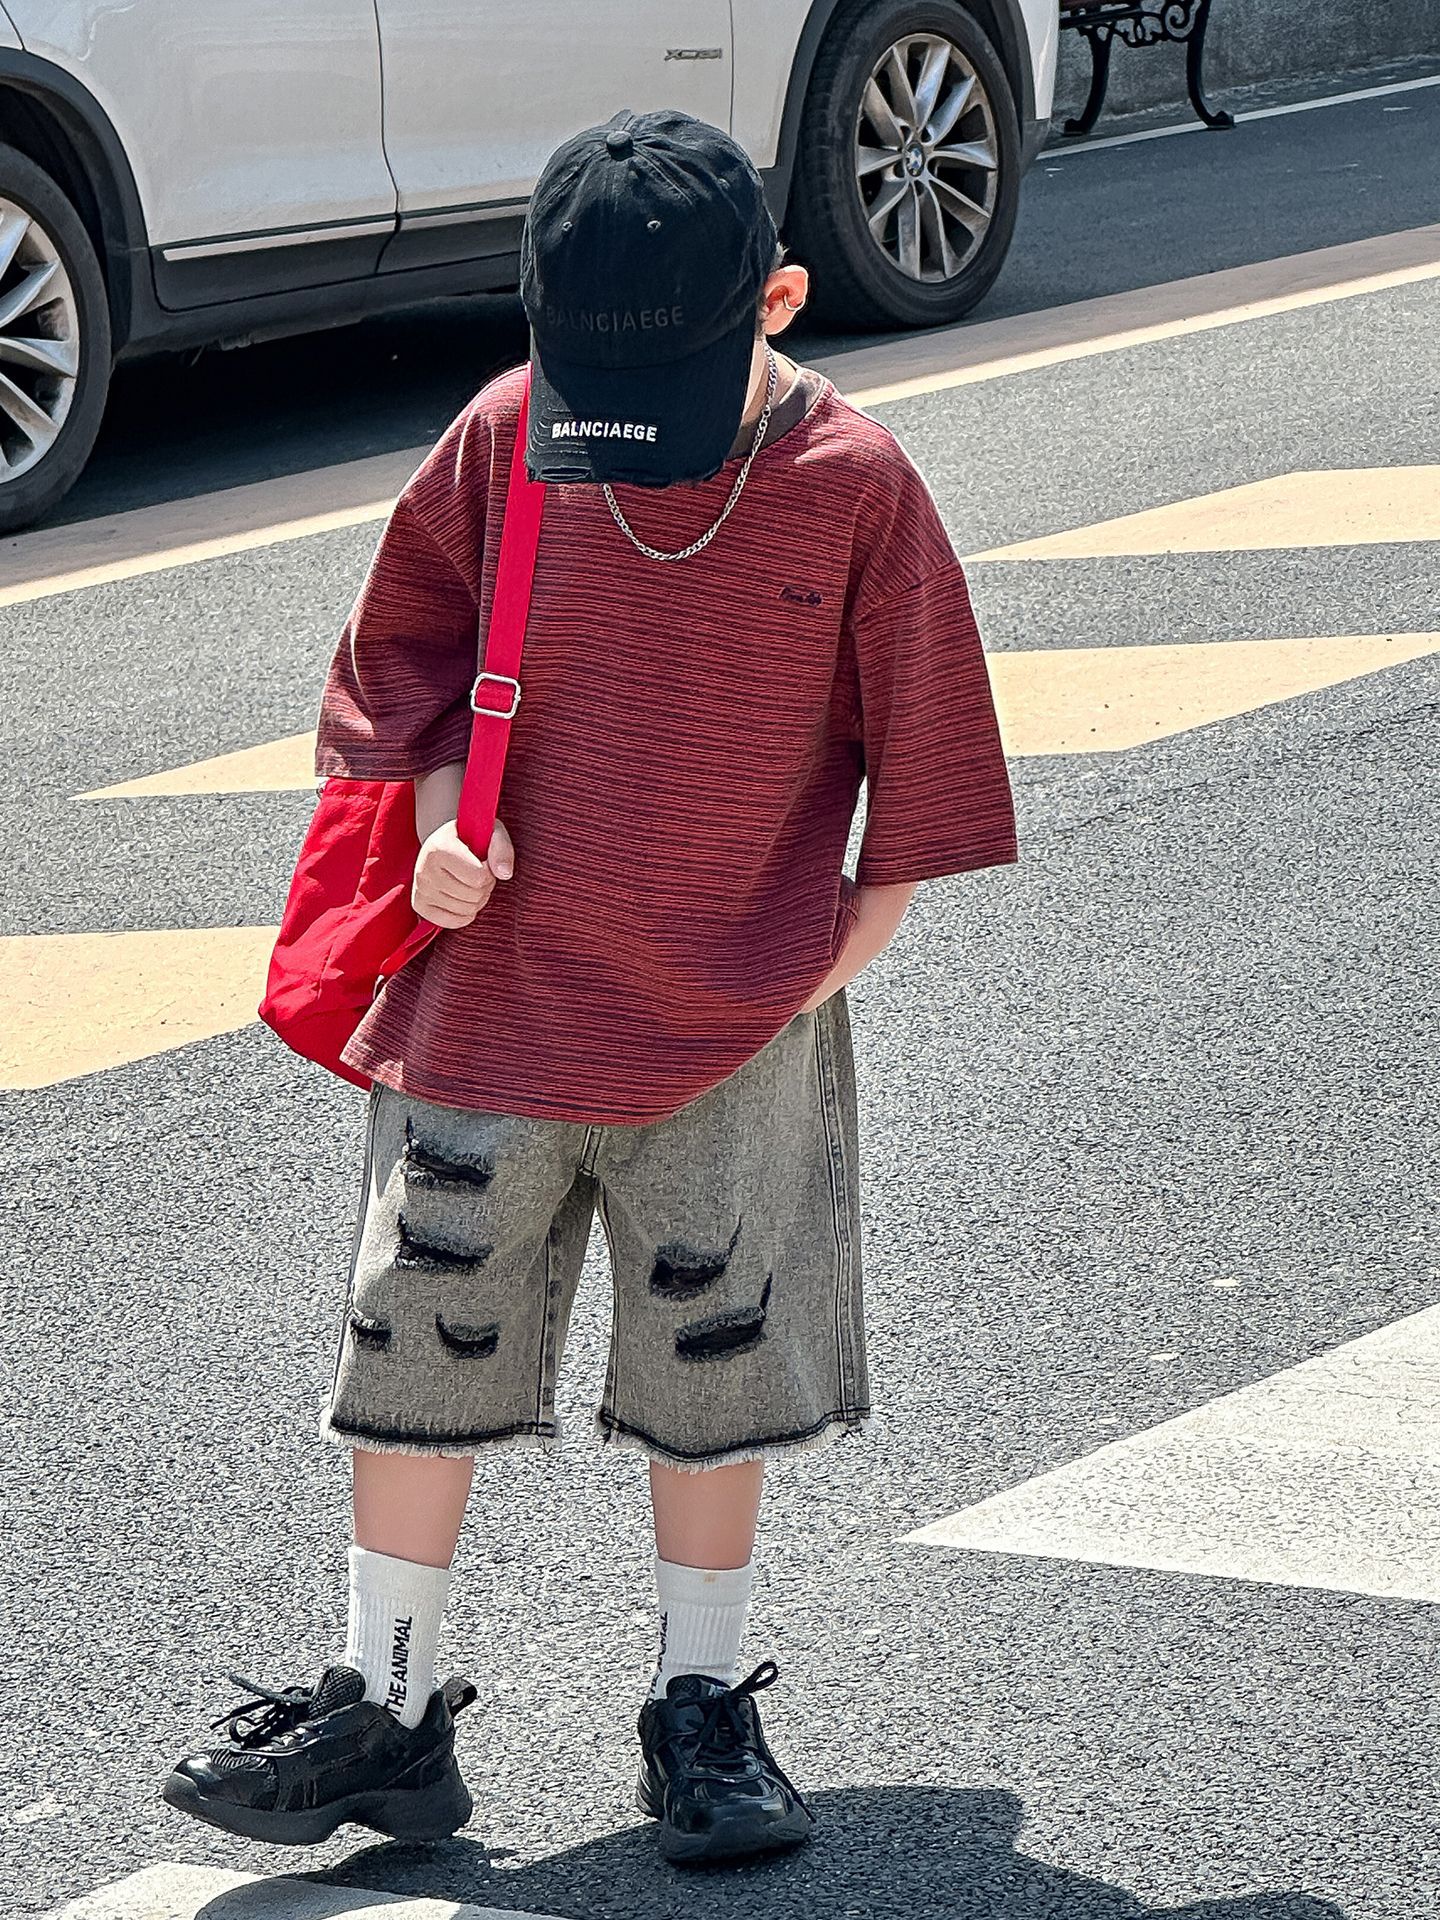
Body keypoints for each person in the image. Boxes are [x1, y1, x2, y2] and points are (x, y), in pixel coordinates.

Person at [162, 107, 1017, 1868]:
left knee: (716, 1356)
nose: (616, 429)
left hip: (734, 1034)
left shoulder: (856, 484)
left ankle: (702, 1705)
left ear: (783, 298)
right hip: (489, 1005)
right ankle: (389, 1702)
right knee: (416, 1336)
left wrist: (812, 975)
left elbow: (926, 781)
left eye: (662, 394)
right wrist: (430, 831)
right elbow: (401, 660)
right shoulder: (502, 438)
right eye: (587, 383)